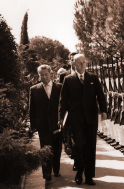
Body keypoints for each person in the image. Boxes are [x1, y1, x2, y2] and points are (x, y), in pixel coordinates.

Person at [59, 54, 107, 185]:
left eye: (84, 62)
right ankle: (80, 172)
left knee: (90, 148)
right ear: (74, 64)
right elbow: (63, 100)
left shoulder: (93, 78)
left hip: (91, 118)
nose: (82, 65)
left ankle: (89, 176)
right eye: (79, 63)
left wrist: (104, 111)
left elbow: (100, 95)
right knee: (78, 147)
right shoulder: (68, 80)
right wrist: (61, 117)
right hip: (76, 119)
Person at [29, 65, 63, 182]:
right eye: (41, 75)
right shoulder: (34, 89)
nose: (43, 77)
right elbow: (32, 110)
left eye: (45, 74)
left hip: (57, 124)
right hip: (42, 125)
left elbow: (64, 106)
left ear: (51, 74)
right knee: (45, 148)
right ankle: (47, 173)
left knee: (57, 148)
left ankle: (56, 170)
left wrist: (63, 121)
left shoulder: (60, 87)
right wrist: (33, 126)